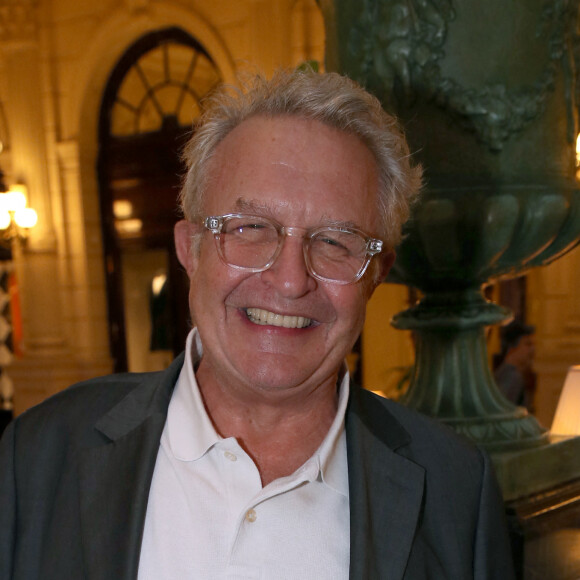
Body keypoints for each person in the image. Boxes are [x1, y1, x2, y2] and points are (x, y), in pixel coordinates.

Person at [0, 69, 515, 579]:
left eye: (335, 241)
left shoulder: (456, 490)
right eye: (249, 228)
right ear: (189, 249)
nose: (290, 280)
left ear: (375, 274)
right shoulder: (38, 456)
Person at [495, 320, 536, 411]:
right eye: (527, 344)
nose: (533, 349)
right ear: (512, 348)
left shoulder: (503, 373)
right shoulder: (512, 377)